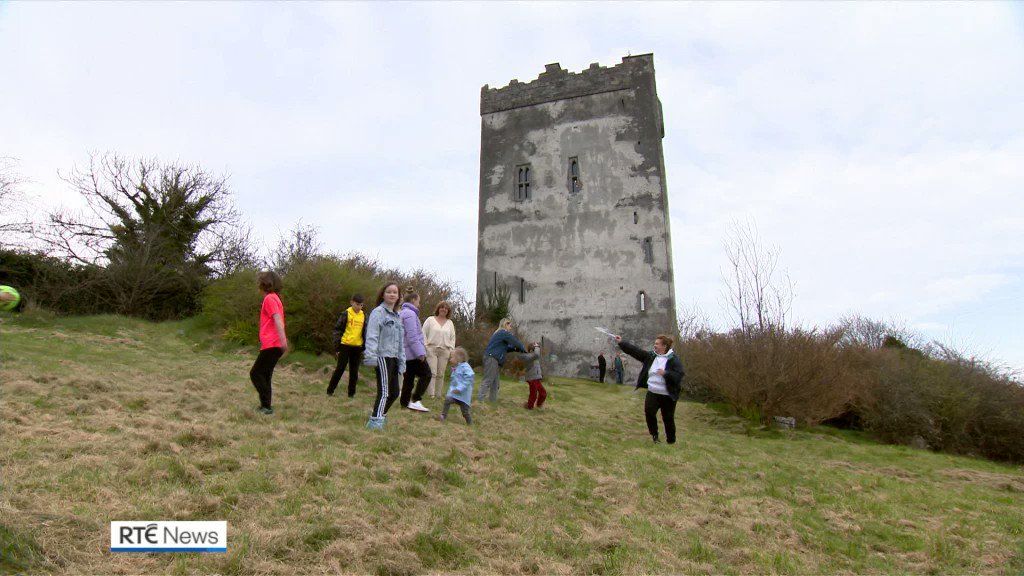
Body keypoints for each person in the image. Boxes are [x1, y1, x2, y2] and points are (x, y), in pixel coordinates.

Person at [615, 333, 685, 444]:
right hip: (653, 392)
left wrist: (666, 373)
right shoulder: (651, 356)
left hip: (668, 395)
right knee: (649, 413)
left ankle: (671, 441)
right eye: (655, 343)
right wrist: (621, 343)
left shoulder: (673, 359)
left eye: (657, 344)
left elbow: (679, 375)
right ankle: (655, 436)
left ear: (664, 346)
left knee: (668, 418)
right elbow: (635, 351)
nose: (655, 345)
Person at [363, 282, 406, 430]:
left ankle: (380, 415)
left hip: (394, 357)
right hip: (382, 356)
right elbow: (372, 335)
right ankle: (376, 422)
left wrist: (402, 361)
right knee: (385, 392)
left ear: (399, 296)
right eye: (389, 292)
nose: (392, 294)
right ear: (383, 294)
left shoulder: (397, 316)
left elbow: (401, 341)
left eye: (395, 292)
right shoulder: (378, 313)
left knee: (394, 393)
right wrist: (371, 356)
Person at [250, 271, 288, 415]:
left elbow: (277, 319)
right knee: (266, 375)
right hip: (273, 344)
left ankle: (266, 406)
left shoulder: (270, 299)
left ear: (265, 283)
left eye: (260, 281)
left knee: (255, 373)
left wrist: (283, 340)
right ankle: (265, 406)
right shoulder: (276, 298)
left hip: (272, 344)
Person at [327, 294, 367, 398]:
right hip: (345, 345)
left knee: (354, 372)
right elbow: (337, 330)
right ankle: (330, 391)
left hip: (357, 347)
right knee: (340, 369)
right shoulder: (346, 314)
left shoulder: (364, 316)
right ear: (352, 302)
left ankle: (351, 394)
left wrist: (364, 346)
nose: (359, 307)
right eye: (357, 304)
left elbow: (365, 332)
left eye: (361, 305)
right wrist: (337, 347)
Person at [479, 317, 526, 402]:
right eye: (510, 325)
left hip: (494, 359)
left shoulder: (499, 334)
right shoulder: (503, 332)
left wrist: (516, 349)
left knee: (495, 383)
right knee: (488, 380)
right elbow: (515, 342)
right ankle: (480, 400)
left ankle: (492, 402)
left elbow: (507, 348)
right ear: (505, 324)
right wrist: (523, 349)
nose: (510, 328)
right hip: (492, 358)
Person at [399, 291, 431, 412]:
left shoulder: (402, 313)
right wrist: (420, 353)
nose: (419, 304)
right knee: (427, 374)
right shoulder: (410, 314)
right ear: (413, 300)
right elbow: (412, 336)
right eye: (418, 301)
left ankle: (404, 403)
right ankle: (416, 400)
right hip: (413, 353)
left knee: (409, 379)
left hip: (405, 353)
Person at [422, 301, 457, 398]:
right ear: (438, 308)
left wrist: (451, 350)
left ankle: (438, 394)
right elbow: (423, 333)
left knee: (441, 374)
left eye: (446, 308)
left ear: (448, 311)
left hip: (445, 350)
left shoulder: (450, 323)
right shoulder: (430, 320)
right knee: (432, 372)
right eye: (442, 307)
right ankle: (431, 394)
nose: (444, 309)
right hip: (432, 349)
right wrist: (425, 346)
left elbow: (452, 338)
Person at [439, 347, 473, 425]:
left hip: (464, 396)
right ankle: (443, 416)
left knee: (465, 412)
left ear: (459, 358)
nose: (450, 359)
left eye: (452, 357)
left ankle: (470, 423)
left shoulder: (466, 367)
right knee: (447, 399)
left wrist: (459, 389)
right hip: (455, 394)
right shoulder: (456, 367)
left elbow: (468, 379)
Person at [521, 342, 547, 409]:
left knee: (543, 393)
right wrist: (536, 346)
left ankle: (539, 404)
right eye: (536, 349)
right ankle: (529, 406)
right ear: (531, 350)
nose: (538, 350)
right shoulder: (529, 356)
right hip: (531, 378)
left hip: (536, 378)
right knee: (534, 394)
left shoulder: (535, 358)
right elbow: (536, 354)